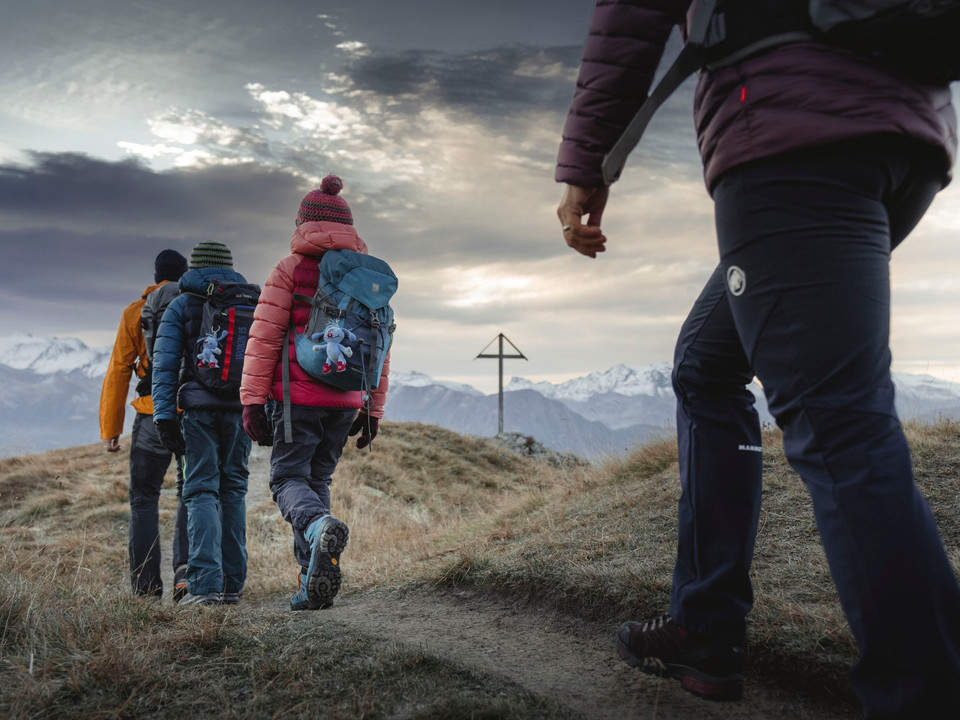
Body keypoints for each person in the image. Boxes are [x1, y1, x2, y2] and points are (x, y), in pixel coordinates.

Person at [555, 1, 960, 717]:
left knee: (840, 428)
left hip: (789, 129)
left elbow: (632, 14)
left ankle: (921, 695)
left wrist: (590, 159)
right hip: (906, 128)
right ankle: (706, 628)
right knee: (706, 365)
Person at [240, 174, 388, 611]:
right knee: (317, 479)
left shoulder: (289, 270)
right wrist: (373, 407)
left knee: (287, 478)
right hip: (346, 398)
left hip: (296, 398)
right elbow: (381, 345)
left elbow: (263, 338)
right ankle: (310, 580)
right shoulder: (368, 276)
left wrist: (250, 401)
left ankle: (318, 525)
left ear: (303, 223)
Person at [151, 240, 253, 606]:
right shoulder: (251, 305)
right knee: (234, 491)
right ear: (229, 267)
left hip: (197, 413)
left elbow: (163, 366)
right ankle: (232, 585)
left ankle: (205, 586)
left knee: (200, 491)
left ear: (193, 269)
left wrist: (164, 417)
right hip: (240, 410)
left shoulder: (181, 304)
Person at [99, 249, 190, 600]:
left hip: (152, 414)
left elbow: (119, 371)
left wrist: (110, 429)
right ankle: (185, 575)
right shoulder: (194, 305)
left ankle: (147, 589)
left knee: (144, 500)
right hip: (190, 413)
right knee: (190, 493)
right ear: (183, 275)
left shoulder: (135, 312)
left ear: (155, 278)